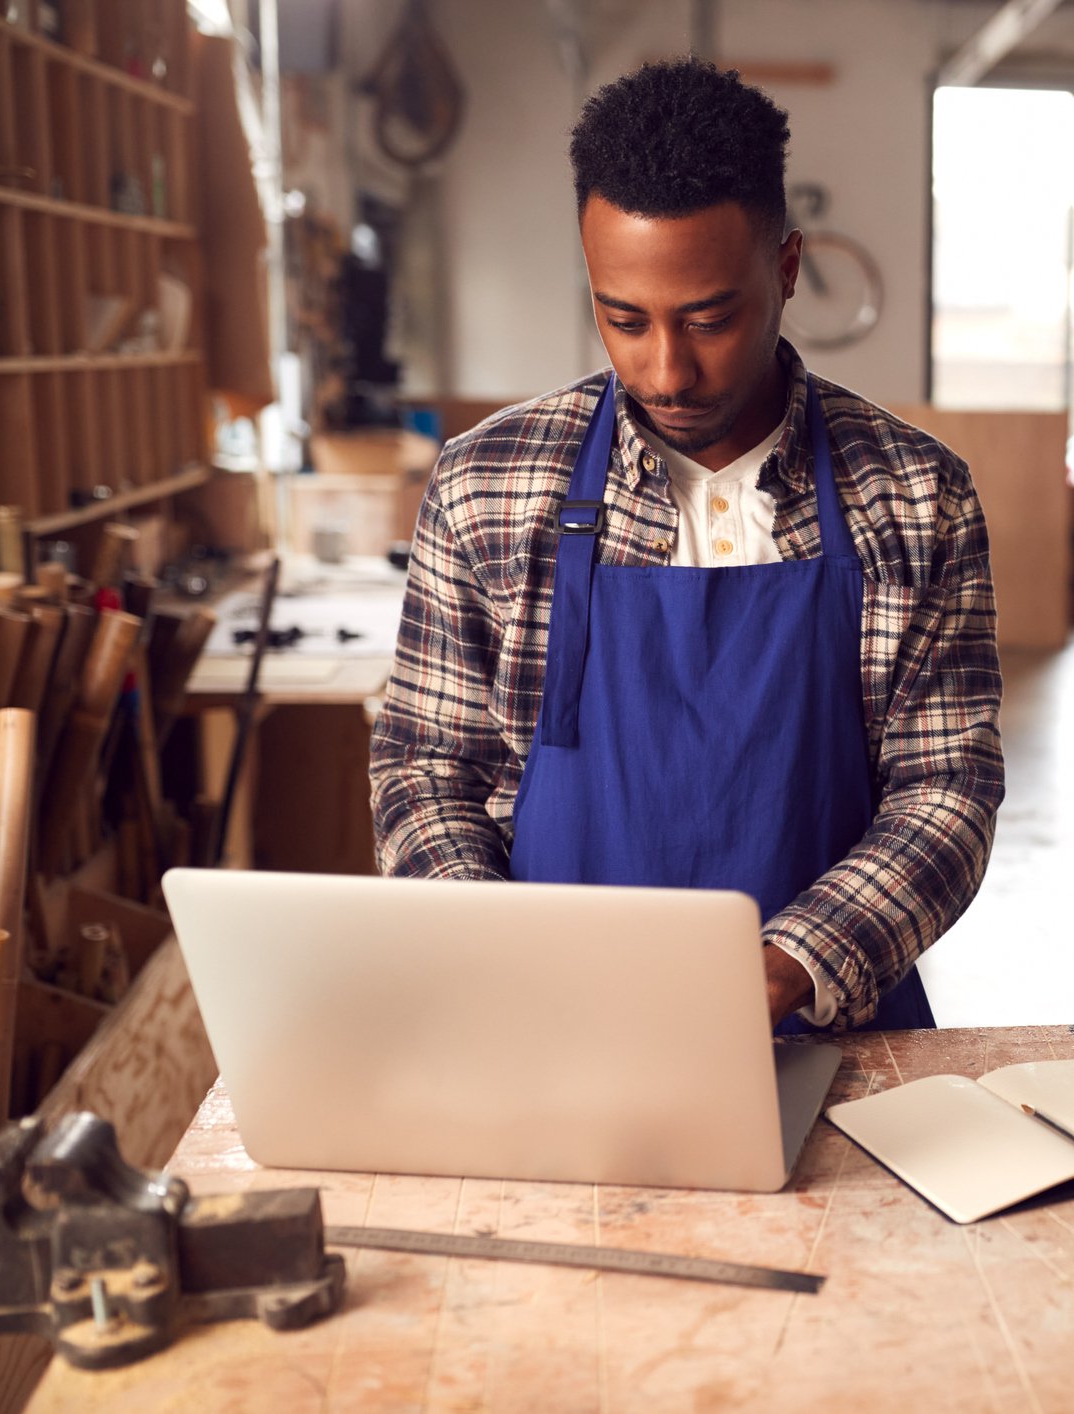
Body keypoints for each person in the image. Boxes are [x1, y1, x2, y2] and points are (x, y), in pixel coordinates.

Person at [368, 59, 1003, 1035]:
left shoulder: (916, 497)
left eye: (710, 317)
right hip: (553, 1029)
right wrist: (490, 939)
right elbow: (424, 768)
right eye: (624, 319)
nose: (666, 370)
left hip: (831, 1035)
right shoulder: (487, 485)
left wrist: (795, 960)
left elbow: (946, 786)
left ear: (785, 270)